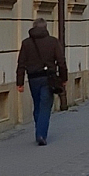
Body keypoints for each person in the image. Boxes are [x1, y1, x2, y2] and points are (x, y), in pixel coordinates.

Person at [16, 17, 67, 145]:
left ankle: (39, 129)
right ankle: (41, 134)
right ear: (45, 28)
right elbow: (61, 62)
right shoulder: (53, 42)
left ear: (34, 27)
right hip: (48, 78)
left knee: (37, 104)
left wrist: (20, 82)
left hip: (33, 78)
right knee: (45, 106)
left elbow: (21, 63)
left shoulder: (26, 43)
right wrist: (63, 78)